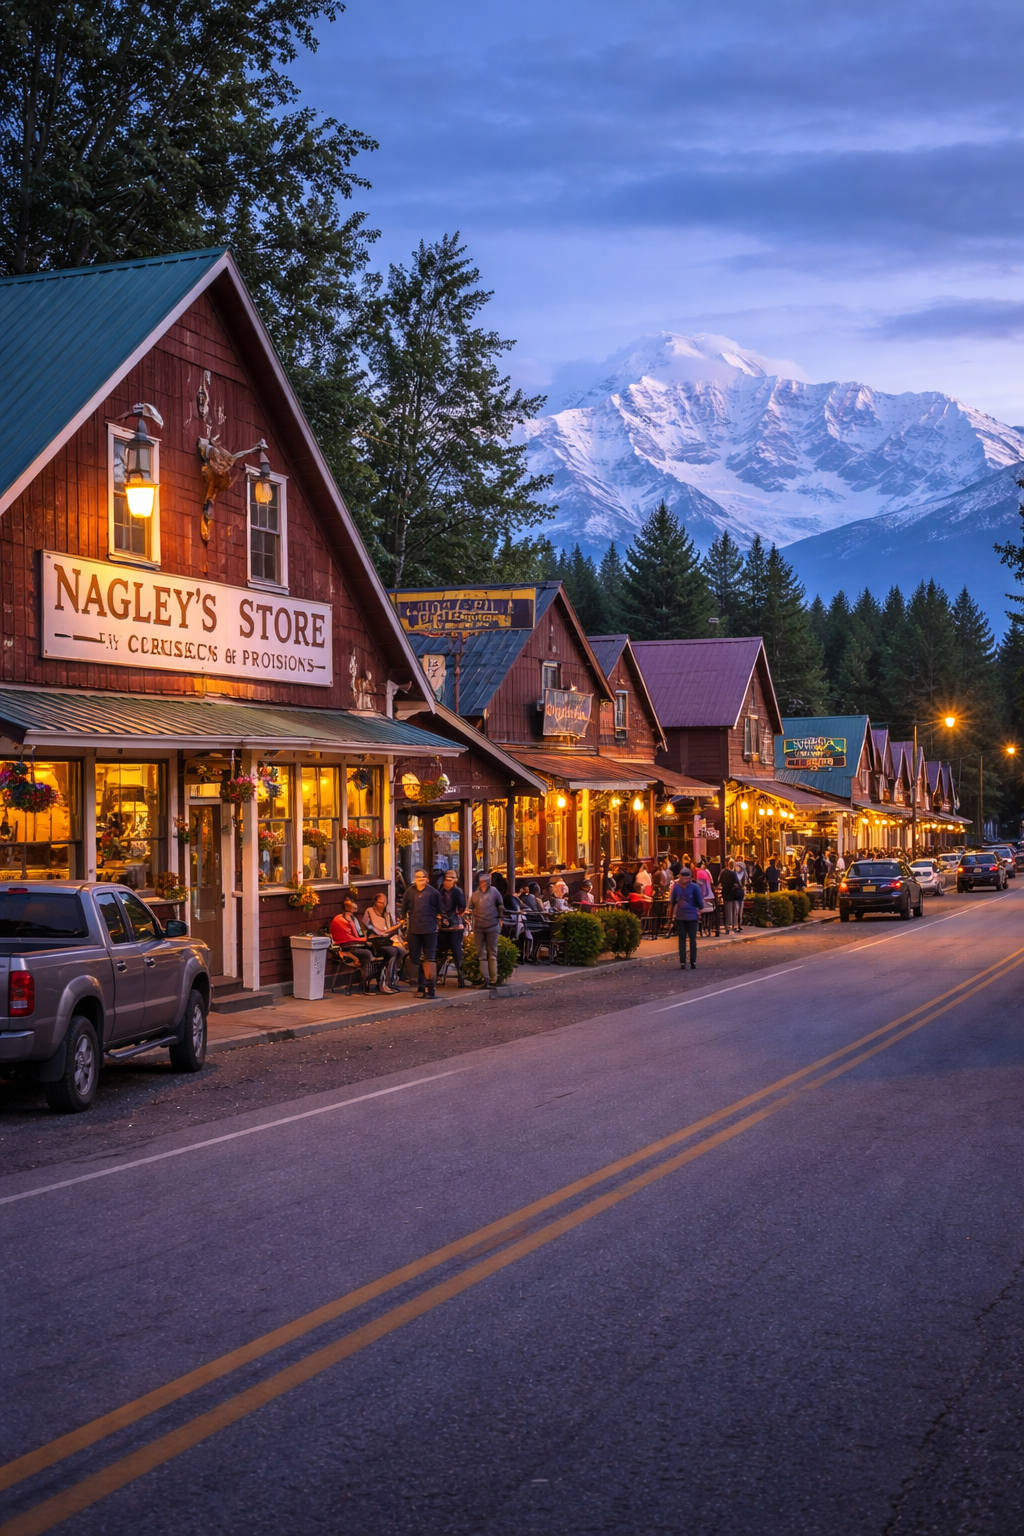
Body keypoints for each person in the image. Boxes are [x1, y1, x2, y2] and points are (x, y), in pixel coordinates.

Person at [331, 898, 393, 993]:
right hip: (348, 948)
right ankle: (365, 986)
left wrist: (366, 938)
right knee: (367, 953)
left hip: (358, 944)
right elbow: (348, 938)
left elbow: (357, 934)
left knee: (384, 952)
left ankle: (381, 982)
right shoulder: (340, 920)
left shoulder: (353, 919)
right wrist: (365, 940)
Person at [400, 867, 443, 998]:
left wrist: (438, 921)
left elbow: (439, 911)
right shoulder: (409, 892)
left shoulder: (434, 893)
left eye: (422, 878)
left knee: (429, 957)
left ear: (427, 879)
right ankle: (420, 985)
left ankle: (430, 988)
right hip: (414, 929)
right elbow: (404, 909)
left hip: (430, 929)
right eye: (417, 878)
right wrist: (403, 921)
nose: (419, 881)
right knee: (416, 958)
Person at [363, 891, 407, 989]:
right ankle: (385, 980)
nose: (382, 905)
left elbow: (389, 927)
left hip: (386, 938)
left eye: (384, 902)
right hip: (375, 940)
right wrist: (378, 931)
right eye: (380, 902)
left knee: (402, 950)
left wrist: (395, 928)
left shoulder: (387, 913)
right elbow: (367, 925)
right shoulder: (369, 911)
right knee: (393, 951)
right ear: (375, 902)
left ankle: (393, 977)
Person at [469, 871, 505, 987]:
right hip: (479, 926)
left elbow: (500, 904)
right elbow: (469, 908)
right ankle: (485, 977)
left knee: (492, 952)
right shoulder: (474, 895)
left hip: (492, 925)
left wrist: (500, 917)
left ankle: (493, 977)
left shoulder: (494, 891)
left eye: (486, 882)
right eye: (482, 882)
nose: (484, 884)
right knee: (481, 953)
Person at [436, 869, 467, 988]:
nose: (447, 882)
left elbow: (462, 906)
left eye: (450, 880)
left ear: (454, 881)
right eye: (446, 880)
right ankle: (437, 976)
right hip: (443, 925)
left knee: (455, 949)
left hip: (455, 925)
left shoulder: (457, 891)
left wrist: (457, 915)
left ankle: (461, 976)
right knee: (440, 950)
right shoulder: (441, 891)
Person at [669, 866, 704, 969]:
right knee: (692, 939)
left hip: (680, 916)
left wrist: (672, 917)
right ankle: (693, 961)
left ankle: (682, 962)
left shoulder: (676, 887)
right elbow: (700, 904)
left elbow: (672, 901)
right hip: (692, 916)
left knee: (682, 940)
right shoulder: (695, 887)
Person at [720, 858, 744, 933]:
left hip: (725, 893)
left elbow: (719, 881)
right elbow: (737, 883)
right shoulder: (733, 873)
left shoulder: (723, 872)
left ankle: (728, 926)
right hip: (733, 894)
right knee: (733, 911)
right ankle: (733, 926)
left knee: (727, 910)